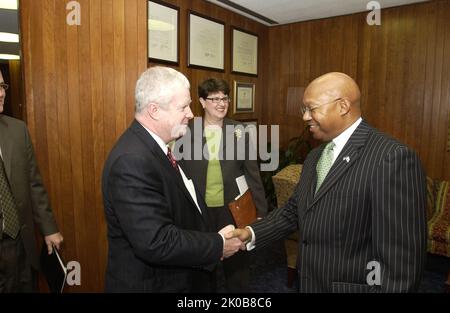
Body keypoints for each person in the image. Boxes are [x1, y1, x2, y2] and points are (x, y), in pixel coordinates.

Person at [228, 72, 427, 292]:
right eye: (304, 110)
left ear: (342, 106)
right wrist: (251, 232)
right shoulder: (315, 156)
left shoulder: (391, 157)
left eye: (311, 108)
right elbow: (294, 210)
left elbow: (400, 264)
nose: (305, 117)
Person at [102, 67, 243, 292]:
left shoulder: (157, 148)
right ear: (154, 110)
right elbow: (156, 241)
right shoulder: (132, 161)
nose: (191, 114)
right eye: (183, 107)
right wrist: (217, 244)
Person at [175, 78, 267, 292]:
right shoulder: (185, 130)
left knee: (237, 270)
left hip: (232, 209)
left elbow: (252, 173)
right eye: (214, 98)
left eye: (224, 98)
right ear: (202, 101)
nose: (221, 103)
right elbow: (177, 173)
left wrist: (261, 213)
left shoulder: (240, 130)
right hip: (199, 212)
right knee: (202, 270)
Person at [0, 70, 63, 292]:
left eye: (2, 87)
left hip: (20, 244)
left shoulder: (18, 131)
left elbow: (34, 184)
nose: (0, 94)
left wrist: (48, 228)